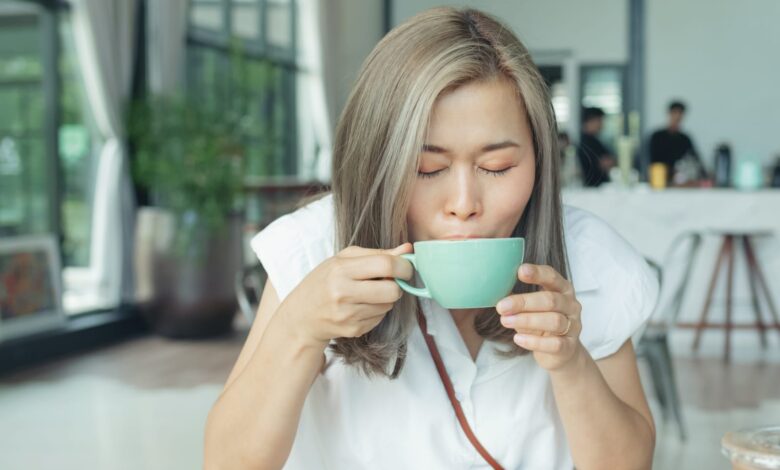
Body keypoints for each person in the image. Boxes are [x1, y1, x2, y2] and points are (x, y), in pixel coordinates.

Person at [204, 7, 658, 470]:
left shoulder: (589, 259)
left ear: (540, 162)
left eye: (497, 167)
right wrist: (298, 330)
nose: (463, 202)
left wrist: (570, 362)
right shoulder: (318, 247)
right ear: (376, 165)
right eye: (428, 169)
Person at [649, 100, 703, 180]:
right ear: (669, 114)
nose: (677, 116)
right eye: (675, 113)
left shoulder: (685, 139)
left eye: (680, 113)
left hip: (681, 180)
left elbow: (695, 160)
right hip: (660, 179)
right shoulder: (657, 137)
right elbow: (652, 161)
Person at [576, 107, 616, 187]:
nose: (601, 124)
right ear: (589, 121)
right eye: (599, 121)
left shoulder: (595, 140)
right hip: (592, 188)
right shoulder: (585, 143)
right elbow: (603, 163)